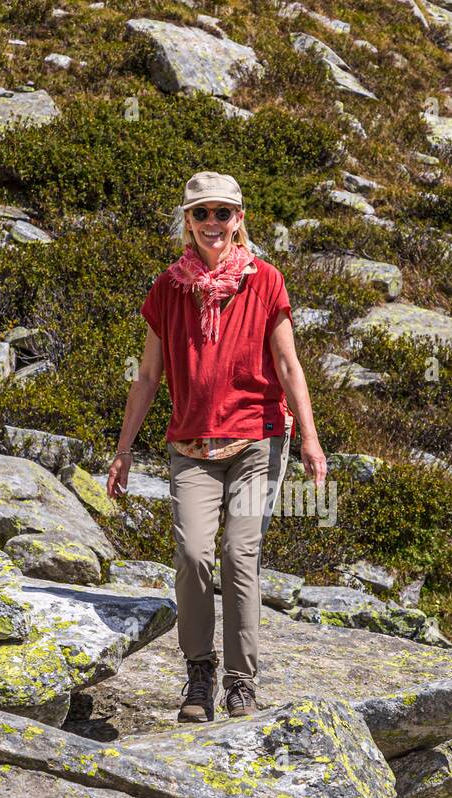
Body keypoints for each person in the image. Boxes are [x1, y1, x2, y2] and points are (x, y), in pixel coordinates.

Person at [107, 171, 326, 721]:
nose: (212, 223)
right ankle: (199, 673)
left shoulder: (266, 281)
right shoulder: (168, 288)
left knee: (239, 554)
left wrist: (311, 438)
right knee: (193, 556)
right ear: (188, 220)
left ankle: (241, 682)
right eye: (201, 213)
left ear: (239, 219)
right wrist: (124, 449)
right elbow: (148, 376)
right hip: (191, 445)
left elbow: (287, 364)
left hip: (258, 441)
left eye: (222, 213)